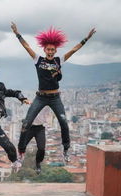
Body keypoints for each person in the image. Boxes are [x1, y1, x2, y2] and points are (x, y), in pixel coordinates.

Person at [11, 22, 96, 163]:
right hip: (40, 97)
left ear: (55, 51)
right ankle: (21, 151)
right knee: (26, 123)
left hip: (55, 98)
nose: (50, 52)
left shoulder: (58, 60)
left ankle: (66, 150)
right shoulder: (38, 59)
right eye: (48, 50)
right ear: (45, 49)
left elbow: (74, 50)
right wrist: (17, 34)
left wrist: (86, 38)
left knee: (63, 122)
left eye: (52, 50)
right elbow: (26, 46)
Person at [21, 107, 52, 174]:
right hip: (29, 127)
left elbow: (48, 116)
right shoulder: (32, 103)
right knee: (22, 145)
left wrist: (47, 123)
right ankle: (17, 160)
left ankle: (38, 164)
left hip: (40, 128)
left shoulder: (46, 106)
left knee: (41, 148)